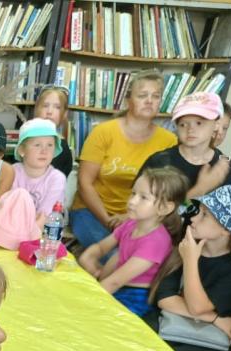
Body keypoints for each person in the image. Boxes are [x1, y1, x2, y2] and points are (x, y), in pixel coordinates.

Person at [150, 184, 231, 351]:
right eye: (198, 211)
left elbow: (197, 307)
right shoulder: (186, 246)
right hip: (169, 330)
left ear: (226, 228)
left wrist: (191, 260)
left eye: (205, 215)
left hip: (206, 347)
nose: (193, 218)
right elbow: (165, 299)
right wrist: (215, 318)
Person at [71, 70, 177, 249]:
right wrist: (109, 221)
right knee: (115, 256)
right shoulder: (103, 132)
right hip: (92, 212)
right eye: (142, 95)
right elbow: (84, 183)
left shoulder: (169, 141)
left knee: (147, 259)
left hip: (141, 216)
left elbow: (167, 190)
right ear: (128, 100)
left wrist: (129, 218)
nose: (149, 101)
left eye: (156, 96)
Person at [79, 167, 185, 316]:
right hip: (115, 286)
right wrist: (88, 256)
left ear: (164, 208)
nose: (132, 201)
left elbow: (114, 282)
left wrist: (86, 300)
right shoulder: (130, 224)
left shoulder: (156, 242)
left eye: (143, 197)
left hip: (134, 297)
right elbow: (101, 248)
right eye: (133, 193)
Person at [139, 92, 231, 202]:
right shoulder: (158, 162)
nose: (190, 129)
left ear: (216, 124)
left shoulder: (230, 168)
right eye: (183, 124)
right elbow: (145, 208)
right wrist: (201, 189)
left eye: (199, 123)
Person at [10, 118, 66, 219]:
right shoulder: (12, 172)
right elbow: (8, 209)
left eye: (50, 145)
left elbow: (45, 215)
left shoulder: (57, 178)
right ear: (22, 150)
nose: (44, 151)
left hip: (42, 227)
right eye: (37, 145)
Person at [34, 85, 73, 177]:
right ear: (37, 109)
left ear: (64, 113)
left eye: (57, 107)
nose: (49, 111)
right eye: (45, 106)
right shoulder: (26, 139)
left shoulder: (62, 148)